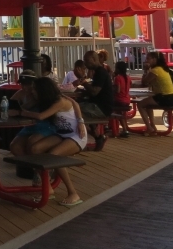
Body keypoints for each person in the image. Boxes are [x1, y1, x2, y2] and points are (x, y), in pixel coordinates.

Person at [18, 77, 88, 206]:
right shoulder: (47, 99)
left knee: (53, 155)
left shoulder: (59, 101)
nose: (32, 91)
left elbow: (41, 116)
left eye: (34, 89)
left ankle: (73, 193)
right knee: (35, 149)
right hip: (61, 134)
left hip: (76, 135)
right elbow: (74, 103)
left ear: (43, 90)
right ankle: (47, 186)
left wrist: (24, 113)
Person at [78, 50, 114, 151]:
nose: (85, 63)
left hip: (101, 107)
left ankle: (77, 142)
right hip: (100, 106)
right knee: (76, 112)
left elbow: (94, 91)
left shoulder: (101, 73)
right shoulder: (99, 72)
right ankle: (98, 137)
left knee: (73, 113)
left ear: (94, 59)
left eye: (87, 61)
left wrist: (83, 81)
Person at [137, 51, 173, 135]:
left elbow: (145, 82)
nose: (146, 60)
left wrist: (145, 71)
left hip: (166, 97)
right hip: (172, 96)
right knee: (147, 105)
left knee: (140, 104)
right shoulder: (163, 69)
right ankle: (152, 126)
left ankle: (149, 128)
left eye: (148, 58)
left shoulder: (155, 70)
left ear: (154, 59)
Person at [112, 60, 133, 138]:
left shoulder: (118, 78)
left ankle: (122, 129)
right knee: (122, 113)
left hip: (119, 100)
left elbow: (117, 90)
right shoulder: (128, 77)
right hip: (127, 100)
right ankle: (125, 129)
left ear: (117, 69)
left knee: (116, 111)